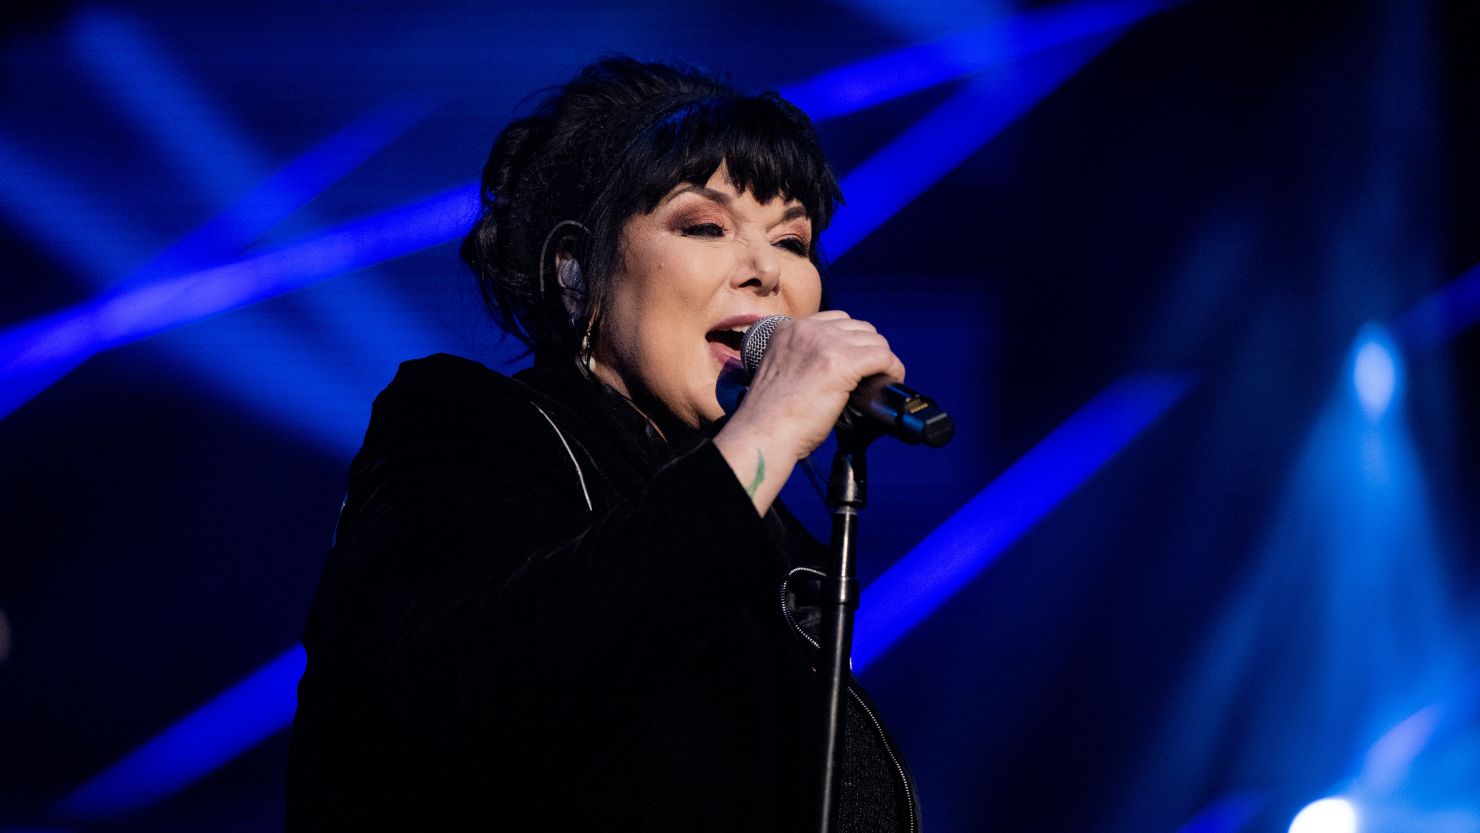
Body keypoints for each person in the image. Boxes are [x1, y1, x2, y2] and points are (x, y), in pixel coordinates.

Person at [285, 56, 921, 832]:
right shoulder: (463, 425)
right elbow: (474, 705)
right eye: (705, 225)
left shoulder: (779, 552)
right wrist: (770, 430)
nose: (766, 273)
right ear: (579, 271)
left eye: (792, 241)